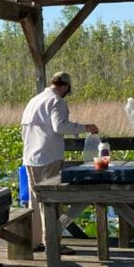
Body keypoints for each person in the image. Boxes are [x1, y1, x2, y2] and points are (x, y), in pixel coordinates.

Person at [21, 71, 99, 255]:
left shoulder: (34, 100)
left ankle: (34, 242)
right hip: (48, 158)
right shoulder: (57, 101)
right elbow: (60, 126)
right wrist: (86, 127)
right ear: (65, 87)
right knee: (53, 203)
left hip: (30, 157)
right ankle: (53, 243)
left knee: (35, 202)